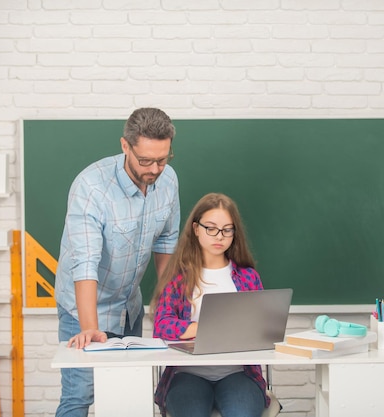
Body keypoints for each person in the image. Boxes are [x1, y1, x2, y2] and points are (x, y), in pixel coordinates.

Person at [54, 107, 180, 417]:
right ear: (125, 146)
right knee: (79, 396)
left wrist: (172, 305)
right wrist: (90, 330)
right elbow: (85, 263)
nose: (154, 169)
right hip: (84, 306)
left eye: (162, 160)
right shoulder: (92, 188)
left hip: (128, 305)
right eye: (145, 160)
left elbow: (166, 242)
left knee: (128, 396)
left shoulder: (168, 181)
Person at [151, 193, 271, 417]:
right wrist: (203, 327)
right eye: (211, 228)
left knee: (242, 413)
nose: (220, 236)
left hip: (239, 373)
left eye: (227, 229)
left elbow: (262, 328)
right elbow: (161, 326)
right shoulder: (178, 277)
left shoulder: (248, 277)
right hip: (187, 374)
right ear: (196, 229)